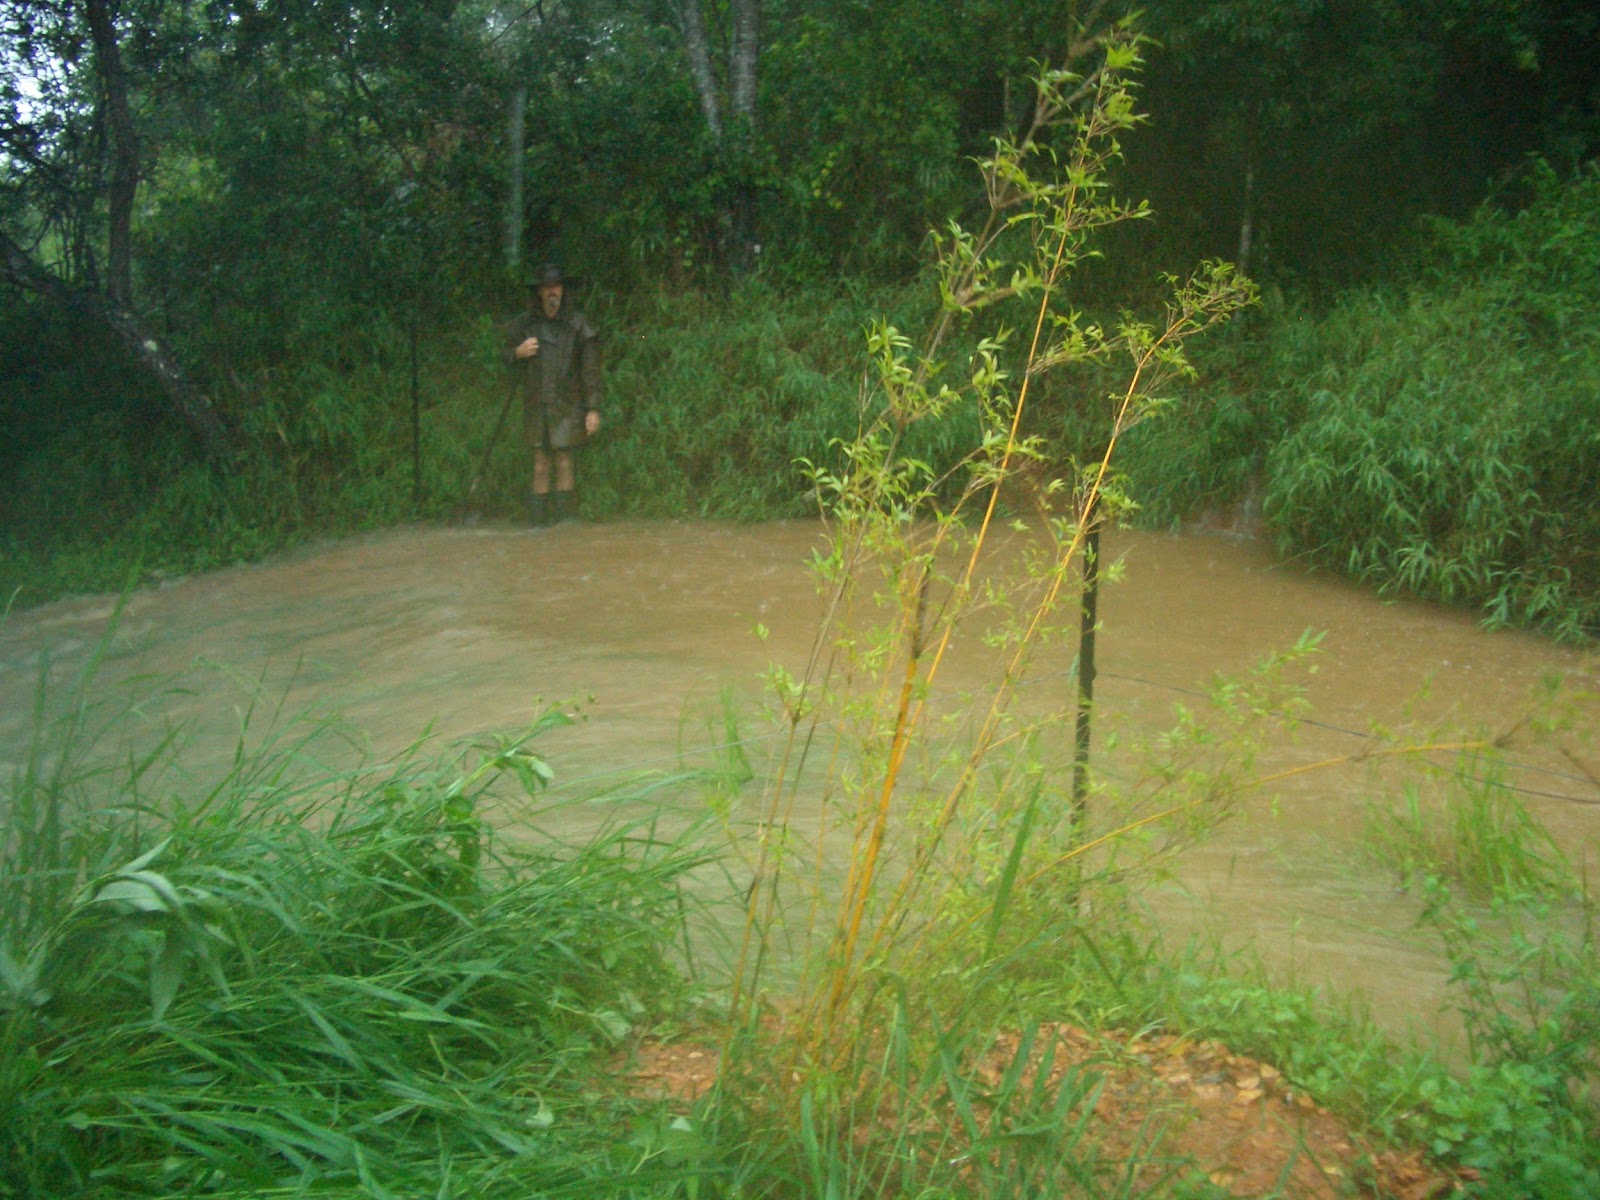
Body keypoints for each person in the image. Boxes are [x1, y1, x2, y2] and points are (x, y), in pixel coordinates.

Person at [503, 263, 603, 525]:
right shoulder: (525, 324)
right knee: (539, 464)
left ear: (563, 290)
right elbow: (503, 353)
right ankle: (537, 526)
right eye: (546, 287)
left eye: (556, 286)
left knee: (564, 460)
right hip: (537, 403)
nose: (551, 292)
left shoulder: (578, 324)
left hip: (568, 403)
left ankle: (565, 524)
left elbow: (590, 371)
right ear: (539, 292)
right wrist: (517, 353)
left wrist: (593, 409)